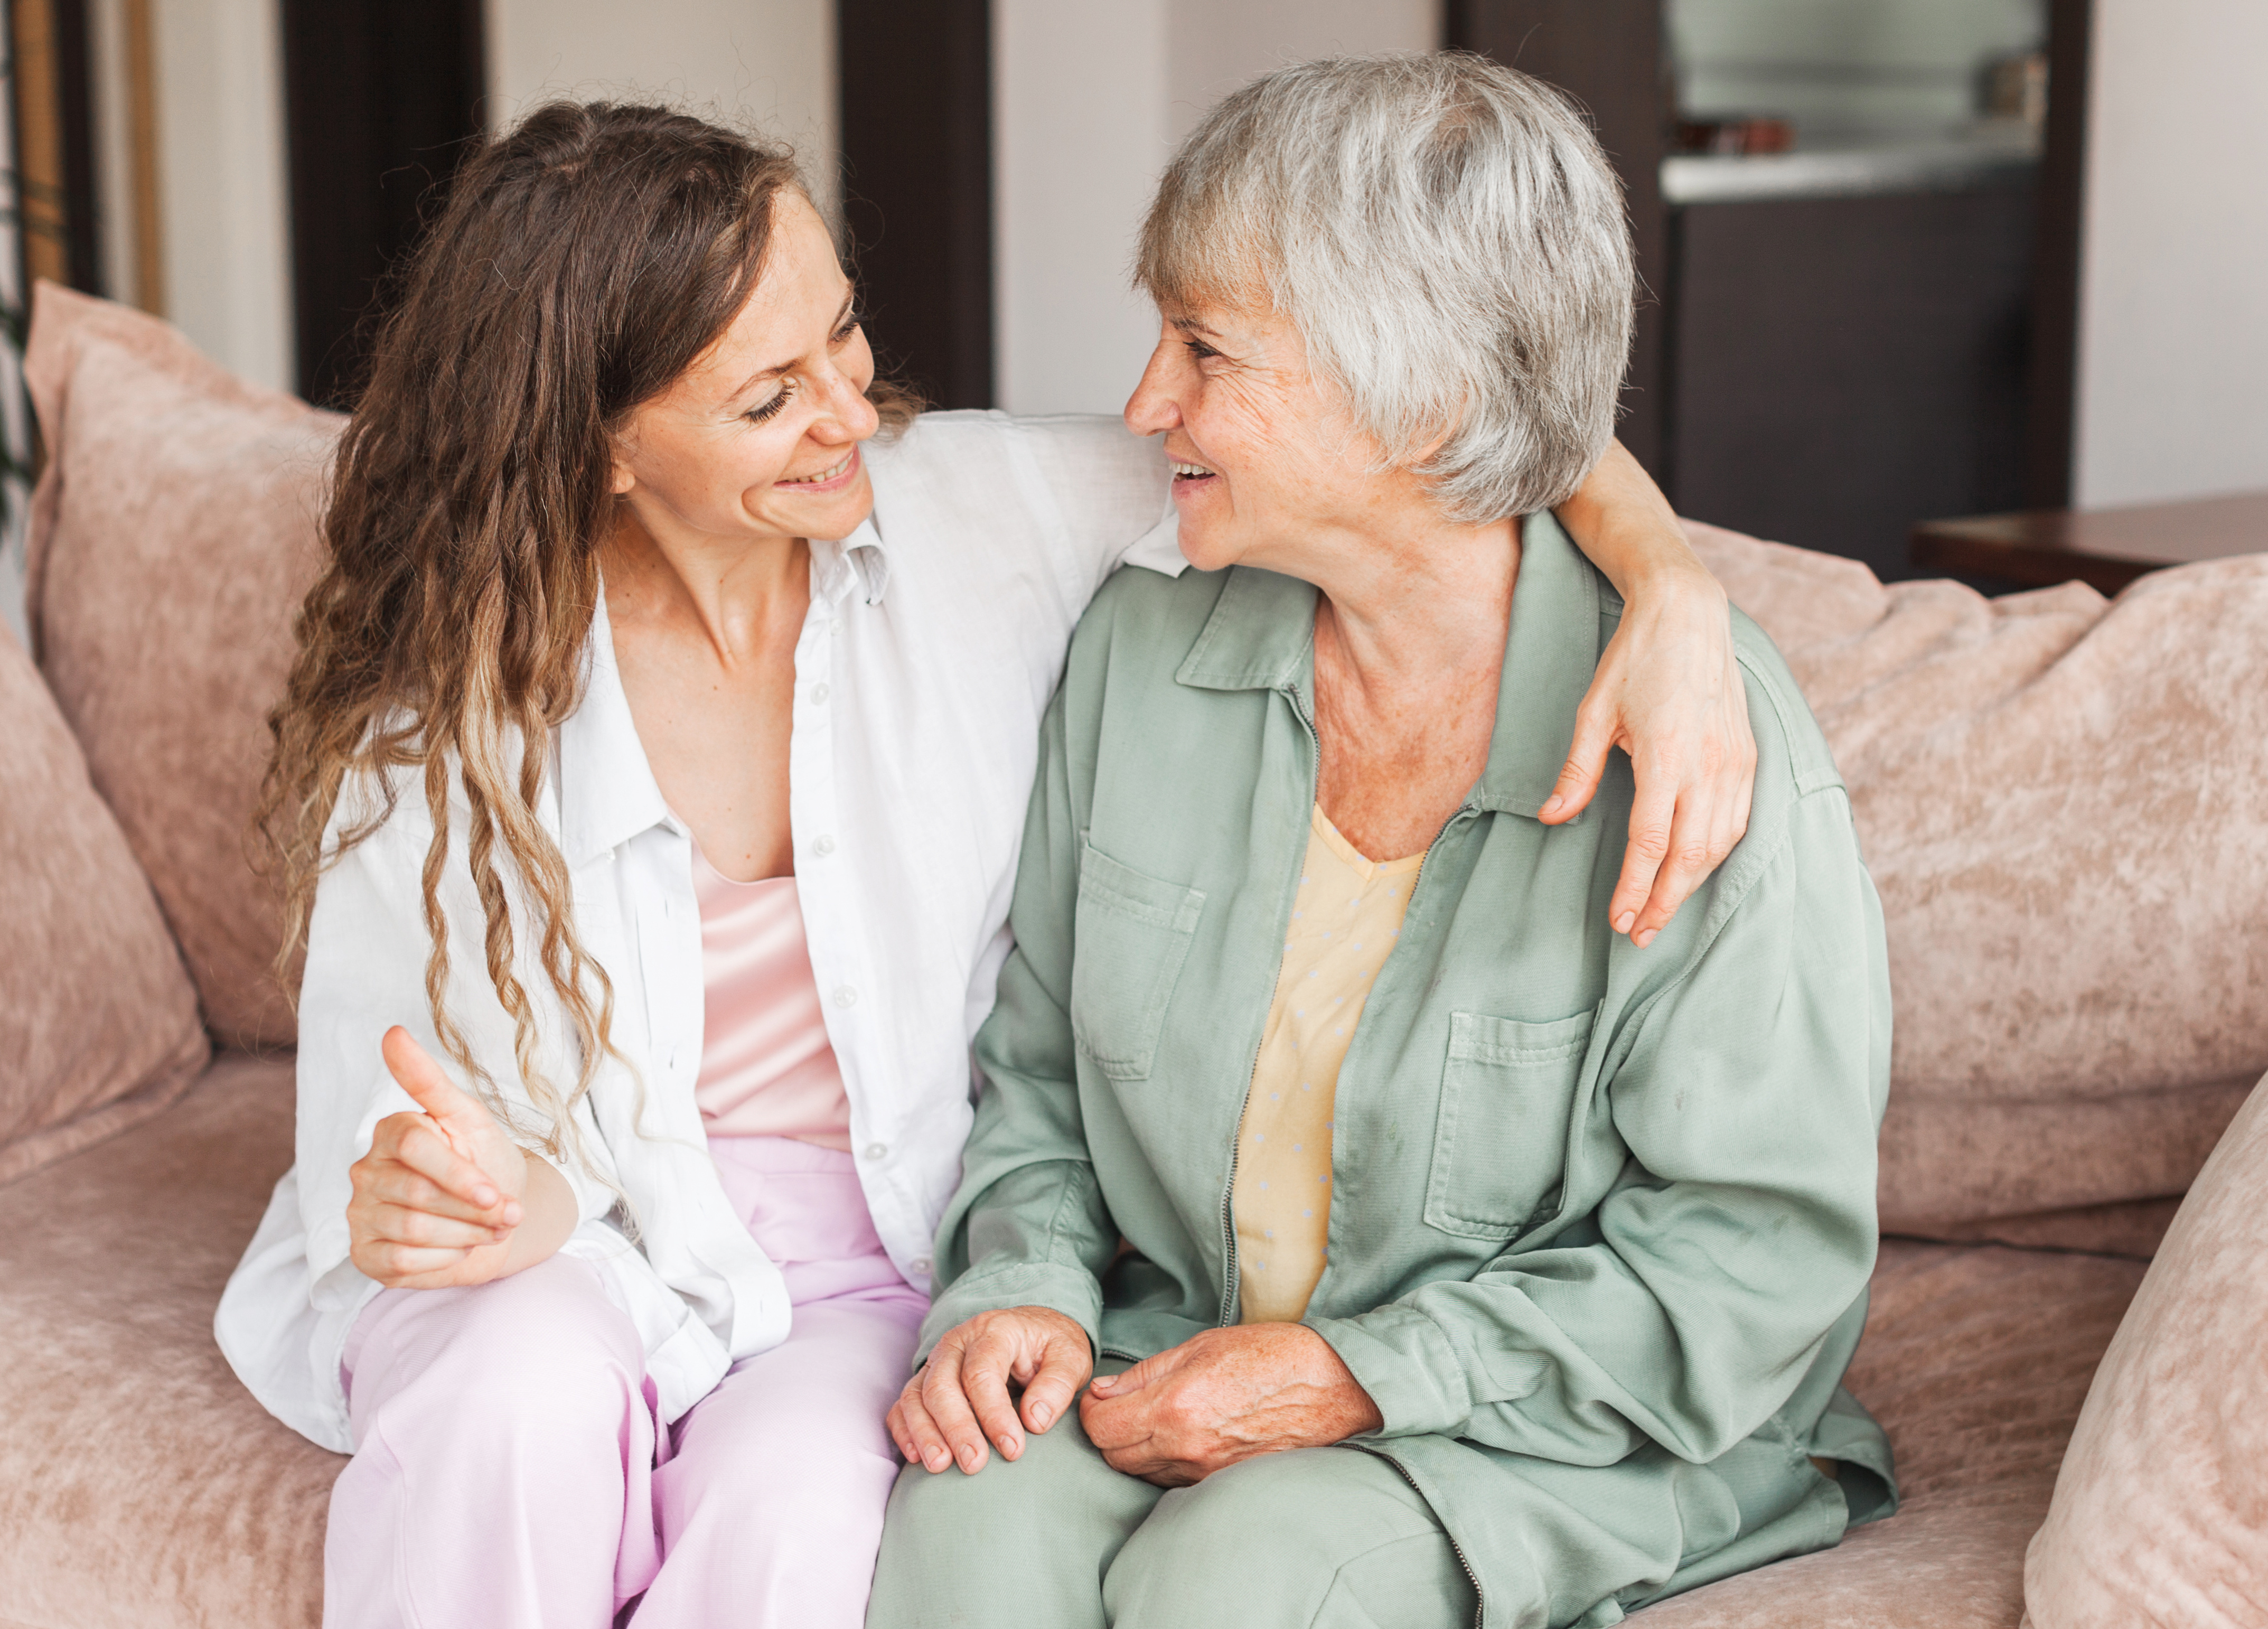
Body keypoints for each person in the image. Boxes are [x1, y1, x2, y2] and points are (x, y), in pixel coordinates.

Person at [212, 99, 1760, 1629]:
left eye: (843, 331)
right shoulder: (439, 726)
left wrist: (1666, 584)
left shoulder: (972, 511)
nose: (845, 410)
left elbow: (1408, 430)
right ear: (602, 447)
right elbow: (402, 1141)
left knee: (799, 1521)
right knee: (517, 1397)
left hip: (865, 1262)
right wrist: (466, 1205)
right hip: (579, 1230)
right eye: (766, 398)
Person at [873, 52, 1896, 1629]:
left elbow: (1747, 1263)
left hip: (1536, 1428)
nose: (1145, 403)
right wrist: (1024, 1288)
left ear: (1421, 400)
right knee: (965, 1534)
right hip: (1172, 1350)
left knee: (1244, 1578)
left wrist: (1350, 1377)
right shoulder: (1143, 651)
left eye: (1204, 348)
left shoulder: (1690, 743)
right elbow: (1037, 1083)